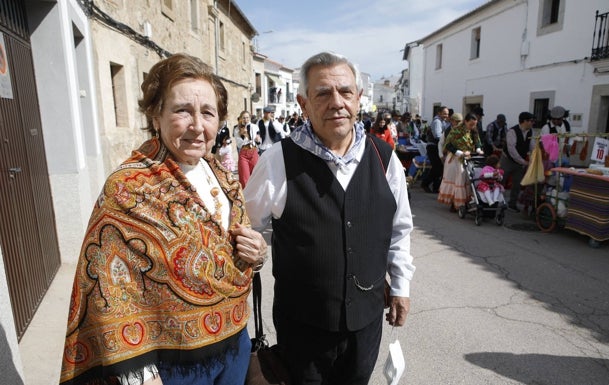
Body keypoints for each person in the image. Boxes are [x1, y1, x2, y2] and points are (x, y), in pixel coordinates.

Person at [59, 53, 268, 385]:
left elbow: (229, 253)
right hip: (169, 364)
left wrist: (256, 253)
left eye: (208, 113)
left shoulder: (224, 179)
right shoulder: (128, 189)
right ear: (156, 114)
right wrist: (138, 375)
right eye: (182, 110)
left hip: (234, 346)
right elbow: (109, 286)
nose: (197, 126)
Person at [244, 51, 415, 385]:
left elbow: (399, 229)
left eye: (345, 92)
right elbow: (249, 228)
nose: (337, 102)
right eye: (323, 93)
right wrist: (254, 250)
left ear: (359, 99)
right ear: (304, 104)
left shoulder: (384, 159)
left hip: (366, 324)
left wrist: (401, 286)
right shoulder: (278, 160)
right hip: (303, 328)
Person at [437, 113, 483, 211]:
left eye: (474, 124)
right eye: (471, 124)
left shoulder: (473, 131)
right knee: (457, 180)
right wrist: (460, 153)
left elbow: (477, 141)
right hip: (455, 159)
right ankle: (454, 204)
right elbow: (447, 145)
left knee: (466, 180)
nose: (472, 126)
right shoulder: (455, 130)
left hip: (468, 159)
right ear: (465, 121)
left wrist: (478, 149)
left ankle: (463, 202)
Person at [501, 111, 536, 212]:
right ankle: (497, 201)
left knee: (517, 183)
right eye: (531, 121)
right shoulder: (512, 131)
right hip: (507, 160)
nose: (532, 123)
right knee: (501, 181)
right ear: (524, 121)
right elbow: (512, 150)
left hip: (520, 161)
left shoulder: (530, 132)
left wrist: (533, 158)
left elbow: (532, 146)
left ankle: (512, 203)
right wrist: (523, 162)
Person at [420, 106, 450, 193]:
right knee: (437, 167)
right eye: (444, 113)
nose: (446, 115)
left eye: (447, 114)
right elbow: (438, 136)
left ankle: (436, 187)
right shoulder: (437, 121)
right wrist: (447, 141)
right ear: (439, 113)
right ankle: (425, 183)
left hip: (438, 147)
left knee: (439, 168)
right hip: (433, 147)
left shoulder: (443, 122)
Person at [233, 110, 260, 188]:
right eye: (244, 118)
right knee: (245, 178)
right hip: (244, 154)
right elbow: (239, 144)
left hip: (254, 152)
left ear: (250, 118)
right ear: (241, 119)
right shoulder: (237, 129)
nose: (246, 119)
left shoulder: (255, 127)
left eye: (247, 117)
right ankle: (246, 197)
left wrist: (258, 140)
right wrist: (245, 136)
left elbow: (258, 141)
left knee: (255, 175)